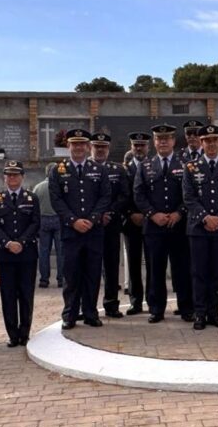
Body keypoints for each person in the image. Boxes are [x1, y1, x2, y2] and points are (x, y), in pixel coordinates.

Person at [49, 129, 111, 330]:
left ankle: (91, 313)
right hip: (70, 232)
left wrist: (92, 219)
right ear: (68, 146)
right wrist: (73, 221)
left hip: (94, 231)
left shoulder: (99, 170)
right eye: (74, 144)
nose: (78, 148)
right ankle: (70, 314)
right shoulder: (57, 170)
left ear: (87, 147)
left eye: (82, 144)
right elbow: (56, 200)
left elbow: (105, 197)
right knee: (71, 274)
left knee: (92, 273)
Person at [134, 123, 194, 323]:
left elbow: (189, 192)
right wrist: (152, 214)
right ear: (154, 142)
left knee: (182, 269)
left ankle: (186, 307)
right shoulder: (146, 165)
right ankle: (156, 309)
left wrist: (179, 212)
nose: (163, 142)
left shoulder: (185, 164)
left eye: (167, 139)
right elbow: (139, 193)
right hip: (154, 227)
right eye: (159, 139)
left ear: (173, 141)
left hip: (179, 226)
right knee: (155, 270)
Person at [182, 124, 218, 330]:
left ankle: (214, 312)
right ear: (201, 143)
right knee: (199, 271)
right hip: (198, 228)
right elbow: (188, 197)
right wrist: (206, 217)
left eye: (215, 140)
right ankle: (199, 313)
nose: (211, 144)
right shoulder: (190, 167)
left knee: (216, 271)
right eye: (207, 141)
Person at [0, 161, 40, 347]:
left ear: (22, 177)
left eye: (16, 175)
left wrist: (21, 242)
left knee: (26, 294)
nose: (12, 178)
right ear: (4, 178)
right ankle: (12, 334)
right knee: (8, 295)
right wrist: (7, 243)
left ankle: (25, 332)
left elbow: (35, 223)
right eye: (9, 175)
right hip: (5, 254)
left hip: (27, 253)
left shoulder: (31, 198)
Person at [90, 132, 128, 319]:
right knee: (89, 268)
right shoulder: (84, 169)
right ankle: (87, 306)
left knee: (112, 266)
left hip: (111, 224)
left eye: (103, 147)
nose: (100, 150)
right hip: (89, 226)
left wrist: (109, 212)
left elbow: (123, 195)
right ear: (91, 148)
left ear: (108, 149)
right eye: (97, 147)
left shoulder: (118, 170)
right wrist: (96, 215)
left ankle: (111, 305)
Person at [121, 132, 151, 314]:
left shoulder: (153, 166)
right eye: (135, 145)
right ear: (131, 147)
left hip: (151, 221)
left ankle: (153, 300)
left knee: (153, 263)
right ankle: (136, 301)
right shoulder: (124, 169)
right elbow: (122, 194)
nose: (139, 148)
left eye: (142, 145)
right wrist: (131, 213)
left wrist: (147, 214)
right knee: (133, 263)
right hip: (131, 222)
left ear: (148, 147)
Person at [32, 163, 63, 289]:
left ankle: (44, 279)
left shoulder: (38, 187)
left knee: (44, 251)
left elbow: (33, 206)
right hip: (58, 219)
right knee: (61, 251)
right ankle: (61, 278)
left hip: (43, 219)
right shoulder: (59, 186)